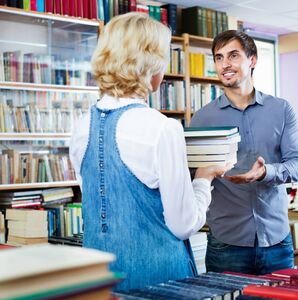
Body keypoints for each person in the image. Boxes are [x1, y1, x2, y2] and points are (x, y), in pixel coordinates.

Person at [69, 13, 229, 291]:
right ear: (151, 64)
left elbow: (100, 204)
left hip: (97, 282)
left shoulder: (81, 127)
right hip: (160, 282)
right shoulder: (162, 128)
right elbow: (183, 223)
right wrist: (204, 179)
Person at [190, 30, 298, 275]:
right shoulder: (201, 118)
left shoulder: (281, 110)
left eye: (233, 55)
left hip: (276, 240)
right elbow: (192, 176)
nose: (225, 64)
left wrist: (266, 172)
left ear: (252, 60)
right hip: (226, 244)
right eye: (219, 58)